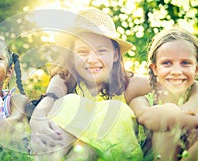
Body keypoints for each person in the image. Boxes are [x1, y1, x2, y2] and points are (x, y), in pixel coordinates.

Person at [29, 8, 198, 160]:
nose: (92, 59)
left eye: (101, 51)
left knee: (118, 112)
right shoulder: (65, 79)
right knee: (69, 103)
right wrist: (38, 119)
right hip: (65, 147)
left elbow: (172, 82)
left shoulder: (128, 84)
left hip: (112, 152)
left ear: (115, 55)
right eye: (83, 52)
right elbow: (50, 98)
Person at [130, 28, 198, 161]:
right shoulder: (142, 99)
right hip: (157, 155)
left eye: (185, 63)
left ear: (196, 69)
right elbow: (147, 118)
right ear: (155, 68)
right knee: (166, 125)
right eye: (167, 63)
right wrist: (174, 113)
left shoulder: (196, 90)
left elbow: (192, 106)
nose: (176, 71)